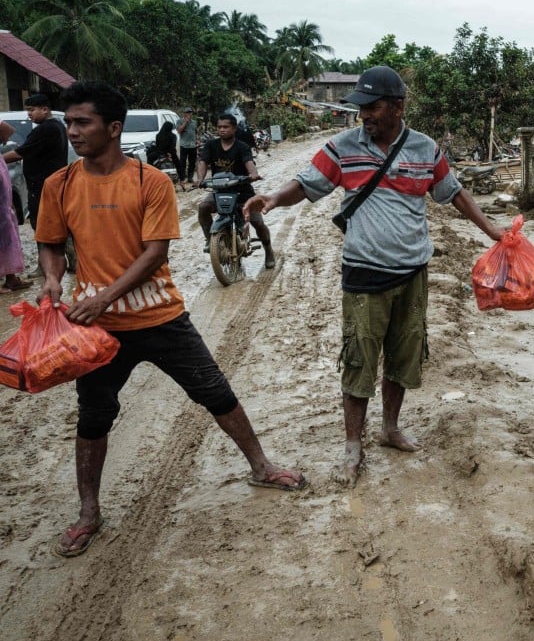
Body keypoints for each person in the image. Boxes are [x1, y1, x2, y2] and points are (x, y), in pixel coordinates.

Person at [34, 81, 306, 558]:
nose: (71, 131)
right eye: (68, 122)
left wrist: (103, 298)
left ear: (113, 128)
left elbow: (154, 252)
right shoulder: (60, 185)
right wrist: (53, 280)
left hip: (160, 317)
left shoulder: (150, 182)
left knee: (215, 392)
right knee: (94, 417)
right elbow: (51, 243)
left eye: (82, 122)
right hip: (97, 332)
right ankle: (88, 513)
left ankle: (261, 466)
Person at [243, 65, 503, 488]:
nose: (364, 115)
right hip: (364, 273)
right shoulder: (343, 147)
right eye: (360, 108)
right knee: (360, 359)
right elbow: (307, 184)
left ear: (398, 107)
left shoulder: (424, 149)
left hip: (413, 272)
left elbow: (452, 192)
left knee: (403, 355)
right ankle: (352, 445)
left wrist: (491, 230)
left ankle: (390, 428)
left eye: (372, 107)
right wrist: (273, 198)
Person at [196, 114, 275, 269]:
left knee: (258, 223)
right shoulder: (211, 145)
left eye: (226, 127)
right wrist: (200, 178)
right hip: (220, 191)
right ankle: (210, 240)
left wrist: (252, 174)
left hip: (243, 192)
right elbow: (203, 162)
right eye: (219, 127)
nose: (222, 130)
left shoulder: (242, 146)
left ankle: (268, 249)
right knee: (203, 207)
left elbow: (249, 162)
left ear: (234, 128)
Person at [3, 93, 68, 277]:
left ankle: (45, 266)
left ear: (45, 109)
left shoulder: (46, 129)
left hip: (43, 186)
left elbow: (21, 152)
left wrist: (0, 160)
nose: (29, 115)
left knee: (41, 226)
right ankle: (71, 262)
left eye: (31, 110)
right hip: (49, 184)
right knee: (56, 224)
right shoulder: (56, 126)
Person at [0, 121, 32, 293]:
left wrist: (10, 206)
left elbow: (6, 185)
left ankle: (11, 279)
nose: (6, 141)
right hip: (2, 211)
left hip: (5, 210)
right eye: (4, 137)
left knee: (9, 243)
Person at [176, 106, 198, 186]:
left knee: (192, 163)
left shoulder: (194, 122)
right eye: (187, 112)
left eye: (190, 112)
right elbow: (179, 130)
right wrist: (185, 122)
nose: (189, 114)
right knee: (183, 163)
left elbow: (195, 132)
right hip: (184, 145)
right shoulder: (179, 121)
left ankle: (190, 178)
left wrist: (197, 140)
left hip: (193, 145)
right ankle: (182, 179)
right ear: (184, 113)